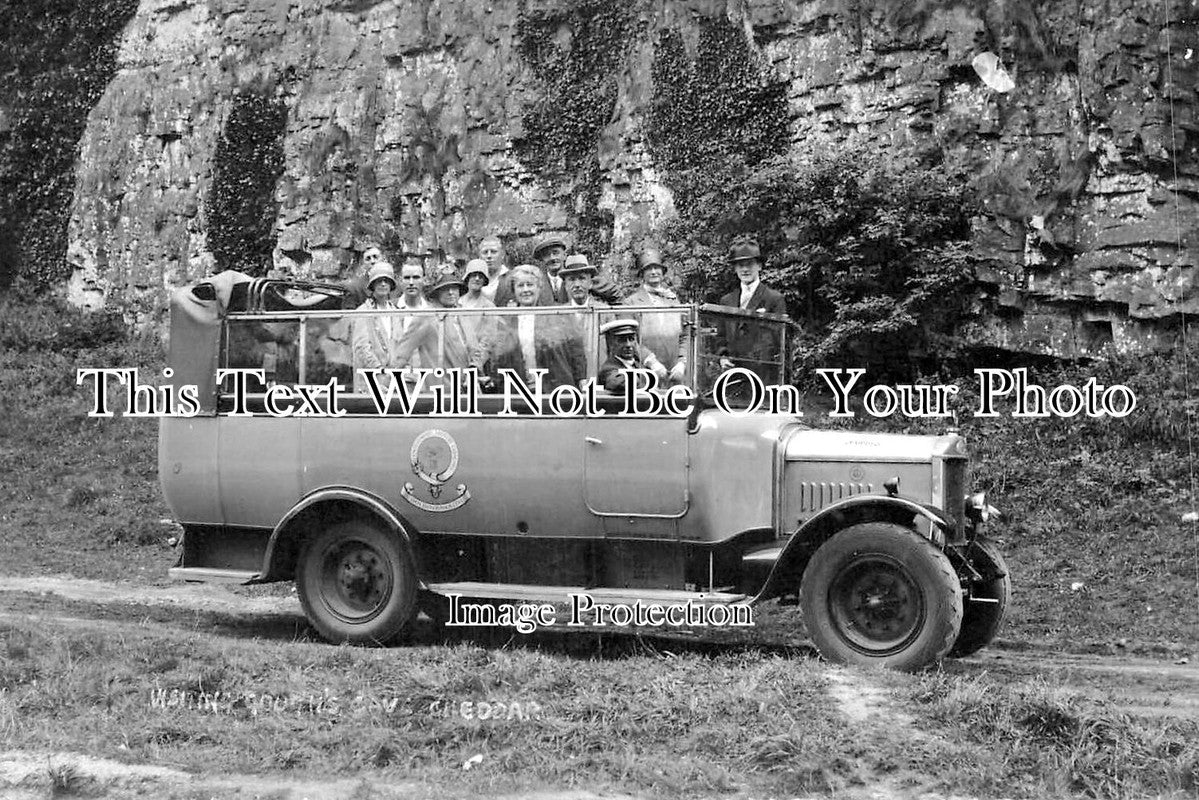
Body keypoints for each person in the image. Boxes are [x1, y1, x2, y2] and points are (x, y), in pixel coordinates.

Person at [486, 264, 587, 392]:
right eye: (520, 286)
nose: (525, 290)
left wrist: (581, 379)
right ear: (514, 290)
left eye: (530, 284)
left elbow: (576, 351)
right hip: (519, 392)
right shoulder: (505, 321)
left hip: (555, 391)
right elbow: (498, 357)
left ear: (539, 287)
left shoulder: (559, 315)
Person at [393, 267, 484, 381]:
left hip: (467, 387)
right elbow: (402, 354)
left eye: (454, 288)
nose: (451, 292)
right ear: (437, 292)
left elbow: (474, 349)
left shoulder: (462, 314)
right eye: (445, 289)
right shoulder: (426, 317)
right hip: (440, 388)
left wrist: (474, 371)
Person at [622, 248, 687, 381]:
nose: (653, 272)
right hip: (643, 374)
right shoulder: (630, 303)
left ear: (662, 272)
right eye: (648, 269)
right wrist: (651, 362)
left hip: (674, 375)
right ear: (642, 274)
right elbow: (629, 338)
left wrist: (682, 362)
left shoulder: (673, 300)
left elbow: (685, 335)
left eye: (656, 268)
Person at [351, 262, 400, 393]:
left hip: (395, 381)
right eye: (378, 281)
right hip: (371, 381)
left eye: (386, 281)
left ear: (391, 285)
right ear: (372, 285)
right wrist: (380, 371)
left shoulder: (397, 312)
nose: (383, 284)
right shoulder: (363, 311)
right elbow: (361, 347)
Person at [596, 318, 668, 394]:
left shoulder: (638, 364)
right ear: (611, 344)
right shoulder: (608, 368)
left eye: (631, 339)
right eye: (622, 340)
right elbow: (618, 383)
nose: (628, 345)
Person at [532, 234, 569, 305]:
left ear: (564, 256)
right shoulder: (537, 284)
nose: (552, 258)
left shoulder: (573, 279)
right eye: (547, 255)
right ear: (542, 259)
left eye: (556, 253)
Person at [478, 236, 513, 305]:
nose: (489, 256)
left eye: (493, 252)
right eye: (485, 252)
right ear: (479, 256)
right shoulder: (472, 279)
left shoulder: (512, 278)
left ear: (502, 255)